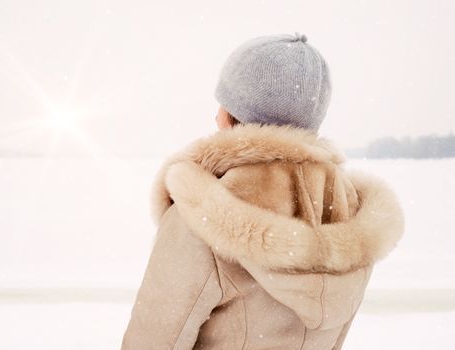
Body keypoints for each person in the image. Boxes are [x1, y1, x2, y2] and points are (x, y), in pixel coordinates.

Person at [121, 33, 404, 350]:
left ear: (233, 114)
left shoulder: (201, 209)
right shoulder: (346, 208)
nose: (216, 114)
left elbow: (155, 339)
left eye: (224, 102)